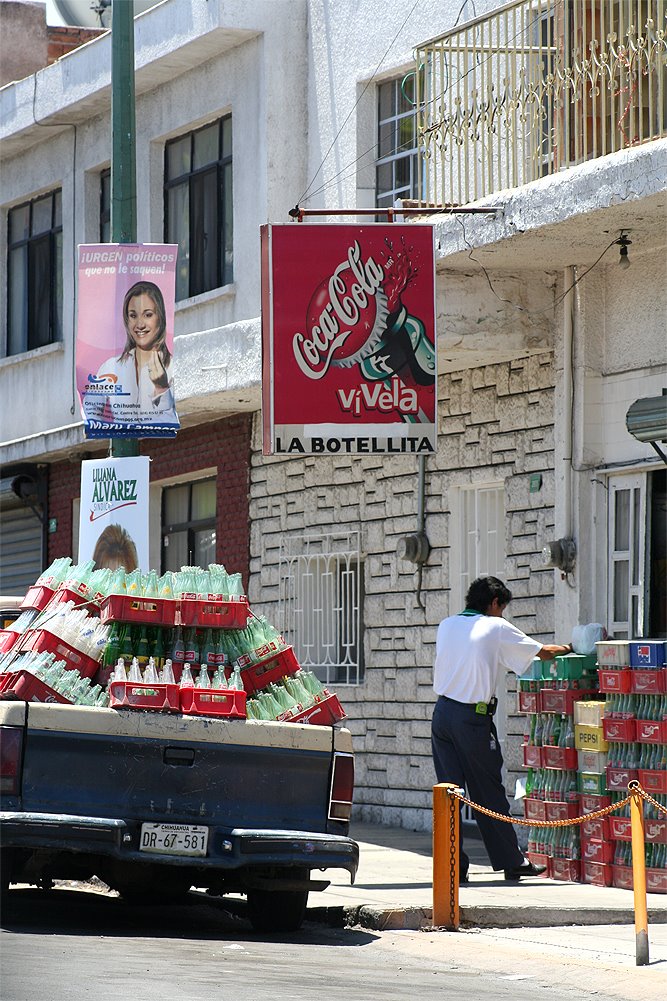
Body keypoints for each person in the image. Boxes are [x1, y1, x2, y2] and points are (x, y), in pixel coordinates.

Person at [431, 575, 573, 882]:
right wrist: (570, 647)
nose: (502, 615)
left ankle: (453, 865)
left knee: (449, 793)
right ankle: (511, 860)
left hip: (442, 715)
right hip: (472, 719)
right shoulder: (494, 627)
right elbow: (542, 652)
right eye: (502, 608)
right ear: (494, 603)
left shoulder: (447, 624)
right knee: (488, 792)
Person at [85, 281, 177, 426]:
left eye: (148, 315)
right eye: (133, 316)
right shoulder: (111, 367)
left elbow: (172, 425)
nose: (140, 324)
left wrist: (162, 389)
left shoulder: (174, 367)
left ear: (160, 317)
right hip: (122, 446)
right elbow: (90, 412)